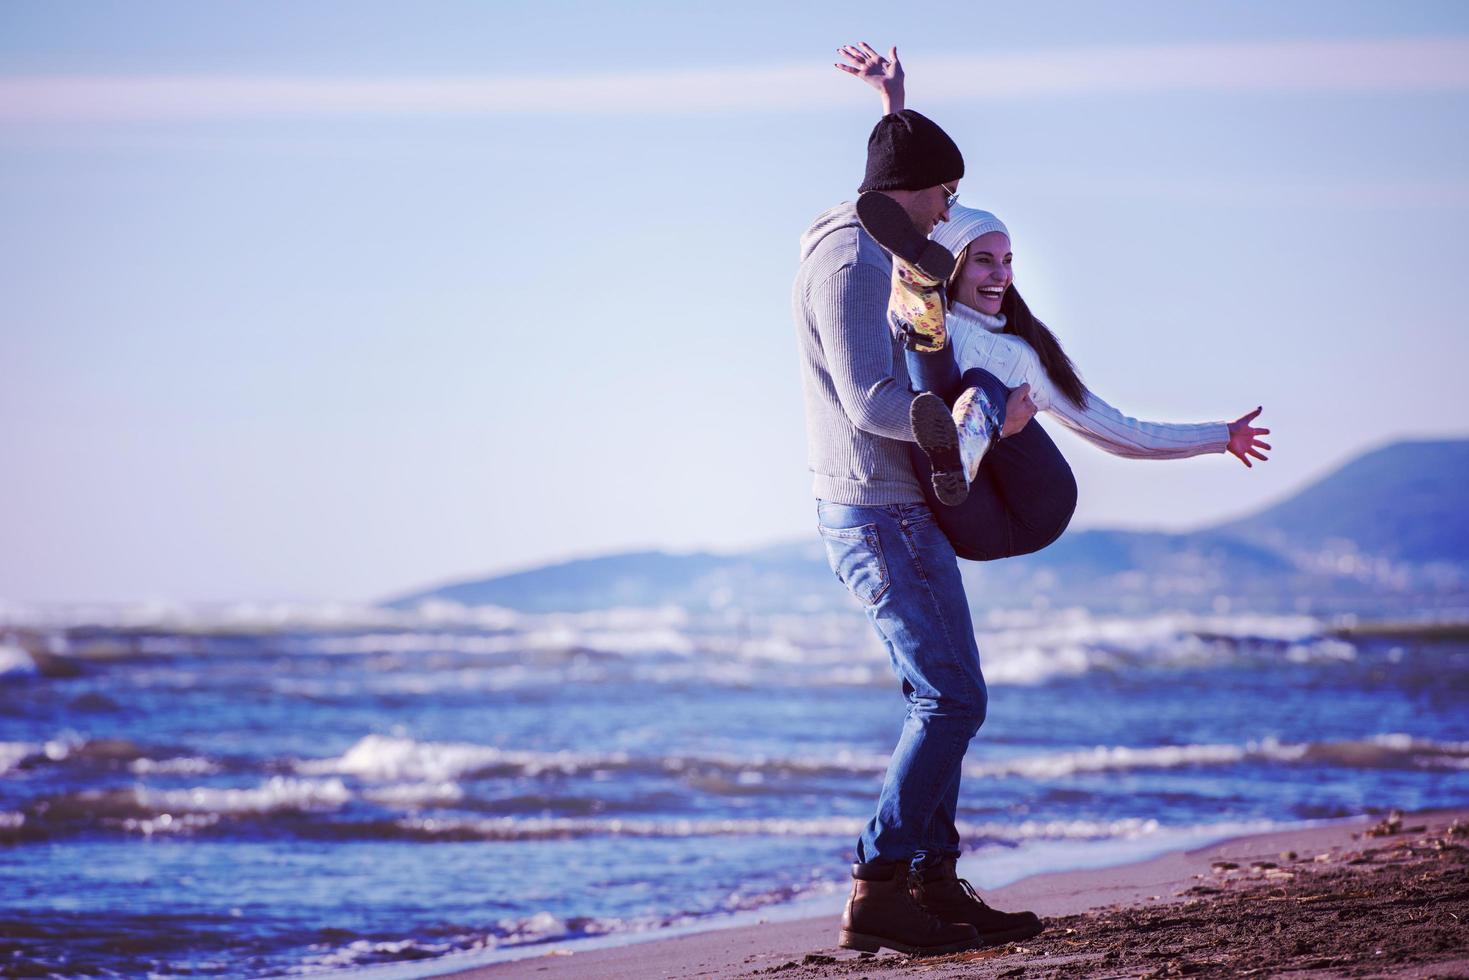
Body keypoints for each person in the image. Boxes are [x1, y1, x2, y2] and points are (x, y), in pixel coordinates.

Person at [836, 43, 1272, 560]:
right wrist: (894, 101)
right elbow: (905, 192)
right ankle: (955, 438)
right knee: (929, 366)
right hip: (963, 508)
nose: (1001, 274)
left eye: (1007, 261)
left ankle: (966, 438)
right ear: (949, 266)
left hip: (1031, 510)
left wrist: (1220, 436)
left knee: (977, 382)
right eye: (983, 261)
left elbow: (1119, 432)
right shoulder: (927, 322)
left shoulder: (1022, 356)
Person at [793, 106, 1045, 955]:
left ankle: (932, 882)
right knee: (952, 698)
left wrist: (895, 98)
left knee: (939, 696)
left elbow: (900, 158)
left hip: (897, 506)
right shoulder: (848, 256)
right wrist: (971, 419)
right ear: (912, 188)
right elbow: (869, 399)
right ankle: (877, 885)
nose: (949, 208)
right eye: (946, 192)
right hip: (877, 510)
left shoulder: (879, 242)